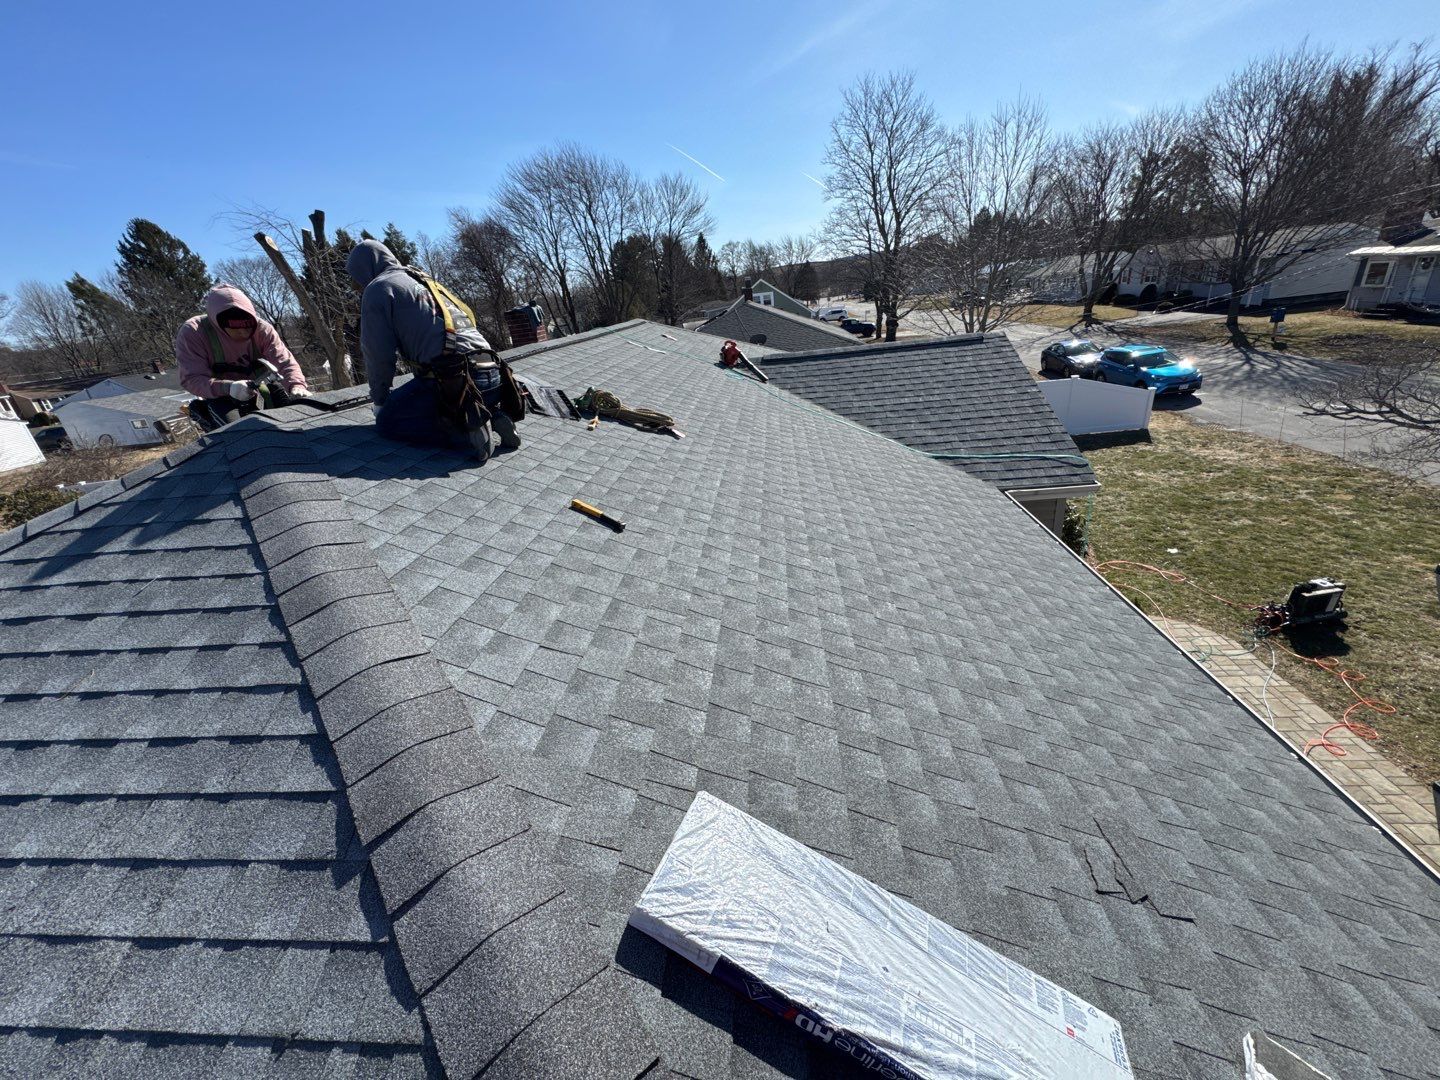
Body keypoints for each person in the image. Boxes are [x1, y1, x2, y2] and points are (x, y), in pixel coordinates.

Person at [345, 239, 520, 461]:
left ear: (365, 268)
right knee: (428, 394)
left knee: (389, 422)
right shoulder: (424, 279)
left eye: (356, 278)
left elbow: (378, 354)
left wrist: (380, 402)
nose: (357, 285)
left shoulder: (379, 288)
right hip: (495, 378)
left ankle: (466, 430)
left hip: (455, 384)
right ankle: (493, 414)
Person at [177, 285, 310, 431]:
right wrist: (228, 387)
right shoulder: (194, 332)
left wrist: (296, 384)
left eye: (247, 327)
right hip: (221, 395)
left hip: (260, 387)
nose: (242, 332)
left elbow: (284, 361)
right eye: (235, 329)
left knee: (296, 415)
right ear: (218, 325)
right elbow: (192, 379)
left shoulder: (262, 330)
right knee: (238, 432)